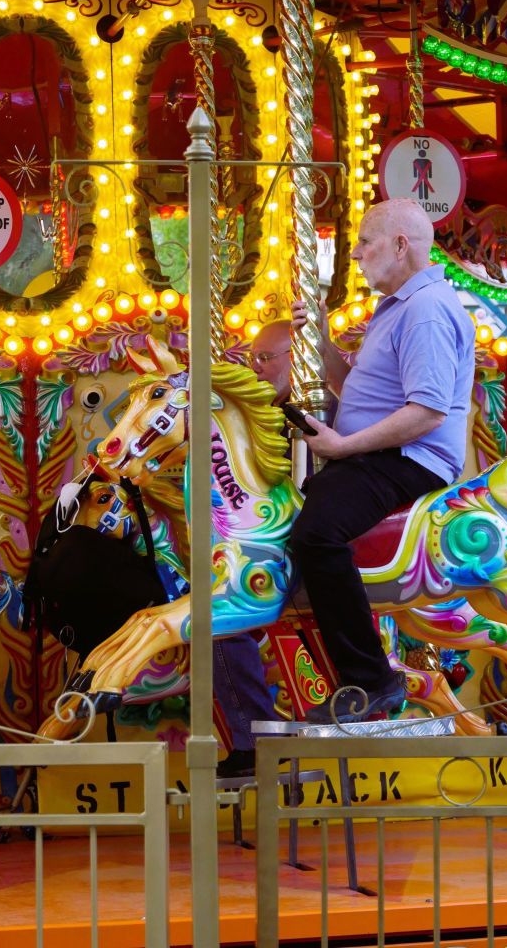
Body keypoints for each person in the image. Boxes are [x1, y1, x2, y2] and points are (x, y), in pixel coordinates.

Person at [289, 198, 475, 724]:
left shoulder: (426, 310)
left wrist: (344, 448)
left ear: (400, 245)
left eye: (365, 241)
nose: (355, 253)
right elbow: (352, 392)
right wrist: (322, 343)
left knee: (314, 535)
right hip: (380, 453)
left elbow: (428, 411)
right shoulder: (396, 308)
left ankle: (371, 682)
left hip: (406, 458)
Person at [213, 320, 293, 777]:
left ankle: (254, 739)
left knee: (224, 623)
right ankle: (251, 736)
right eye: (252, 359)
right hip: (264, 539)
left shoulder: (311, 410)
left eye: (266, 358)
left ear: (295, 358)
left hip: (294, 541)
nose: (256, 369)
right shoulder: (249, 416)